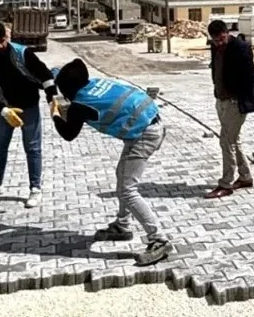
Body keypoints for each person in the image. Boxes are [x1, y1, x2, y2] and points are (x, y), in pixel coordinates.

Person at [49, 59, 170, 266]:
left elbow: (69, 133)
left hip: (144, 135)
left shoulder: (79, 105)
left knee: (127, 190)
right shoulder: (95, 83)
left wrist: (55, 114)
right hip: (152, 122)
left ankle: (159, 239)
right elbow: (57, 73)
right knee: (122, 176)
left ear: (68, 88)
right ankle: (122, 226)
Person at [0, 21, 55, 206]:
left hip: (29, 107)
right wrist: (2, 110)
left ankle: (35, 188)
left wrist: (52, 97)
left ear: (6, 37)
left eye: (2, 41)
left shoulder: (22, 53)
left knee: (33, 148)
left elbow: (45, 75)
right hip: (5, 109)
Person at [204, 19, 254, 199]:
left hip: (235, 103)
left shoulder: (240, 47)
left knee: (226, 141)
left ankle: (226, 183)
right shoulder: (215, 47)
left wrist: (237, 97)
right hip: (221, 100)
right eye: (215, 41)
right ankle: (245, 177)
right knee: (234, 140)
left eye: (222, 39)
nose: (219, 43)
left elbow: (251, 76)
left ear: (227, 33)